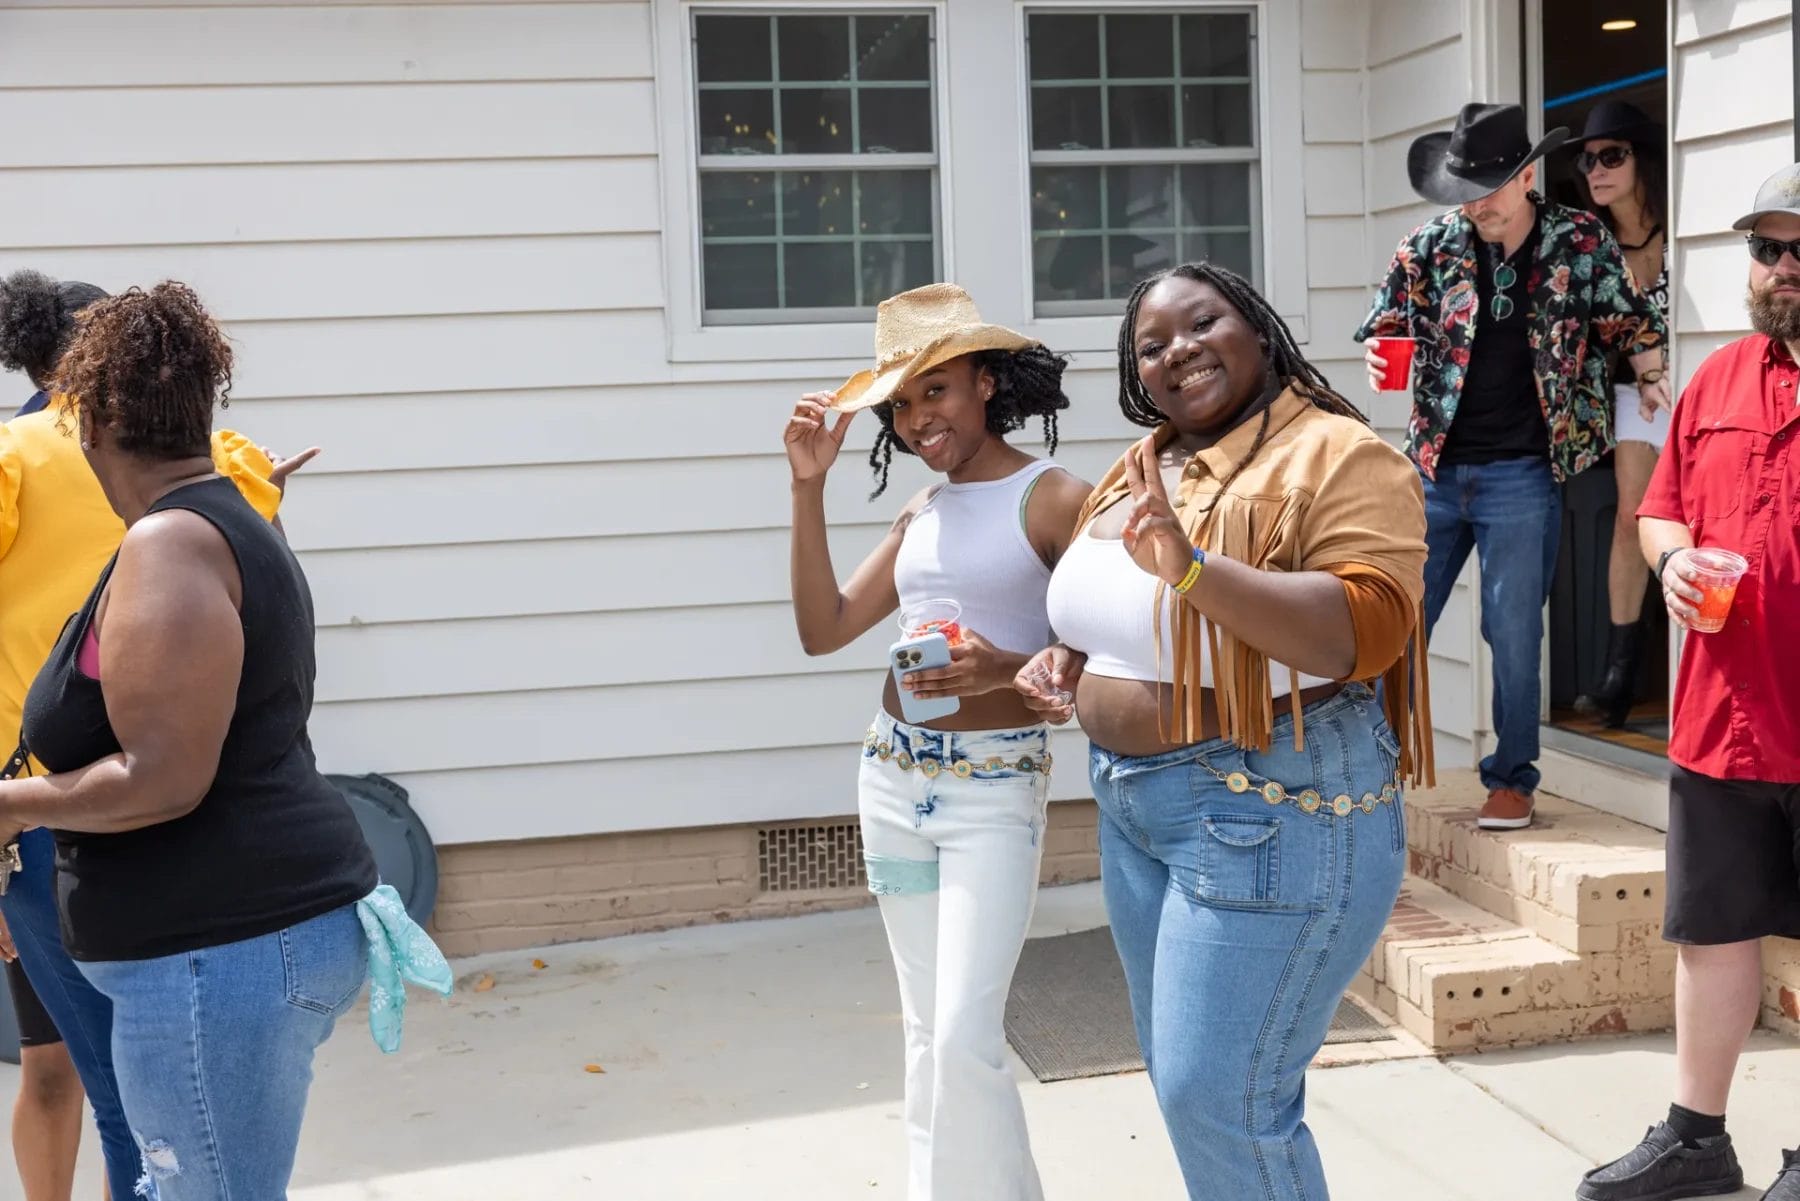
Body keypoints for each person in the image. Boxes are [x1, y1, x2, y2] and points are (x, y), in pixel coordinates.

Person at [1017, 261, 1431, 1200]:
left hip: (1271, 803)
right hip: (1134, 808)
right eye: (1151, 345)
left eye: (1201, 322)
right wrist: (1067, 657)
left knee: (1223, 1096)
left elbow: (1365, 628)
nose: (1178, 351)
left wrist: (1197, 568)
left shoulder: (1334, 453)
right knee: (1188, 1083)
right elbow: (1115, 608)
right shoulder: (1140, 467)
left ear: (1256, 326)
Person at [0, 282, 380, 1201]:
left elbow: (165, 777)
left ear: (87, 430)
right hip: (238, 939)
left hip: (220, 952)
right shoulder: (224, 511)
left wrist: (9, 803)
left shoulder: (169, 544)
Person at [785, 283, 1091, 1200]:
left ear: (987, 383)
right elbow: (823, 626)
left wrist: (1002, 669)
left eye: (939, 390)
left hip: (994, 793)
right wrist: (808, 488)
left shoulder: (1054, 497)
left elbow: (1104, 644)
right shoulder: (921, 511)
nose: (920, 418)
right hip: (890, 782)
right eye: (905, 402)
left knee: (964, 1032)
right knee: (925, 1030)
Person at [1578, 164, 1800, 1201]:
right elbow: (1661, 509)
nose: (1783, 267)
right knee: (1712, 932)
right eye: (1766, 248)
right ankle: (1698, 1136)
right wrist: (1672, 564)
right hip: (1722, 721)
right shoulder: (1716, 380)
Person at [1356, 102, 1668, 830]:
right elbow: (1384, 322)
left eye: (1490, 186)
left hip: (1524, 472)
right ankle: (1369, 776)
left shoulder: (1579, 239)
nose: (1476, 203)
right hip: (1433, 469)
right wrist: (1379, 348)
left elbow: (1627, 315)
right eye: (1465, 187)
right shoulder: (1430, 244)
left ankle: (1512, 779)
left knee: (1515, 633)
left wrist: (1649, 369)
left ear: (1527, 176)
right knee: (1398, 624)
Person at [1568, 101, 1674, 727]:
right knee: (1633, 517)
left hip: (1698, 381)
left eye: (1612, 156)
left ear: (1642, 161)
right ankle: (1620, 671)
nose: (1597, 169)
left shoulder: (1682, 222)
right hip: (1635, 395)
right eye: (1588, 159)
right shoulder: (1590, 243)